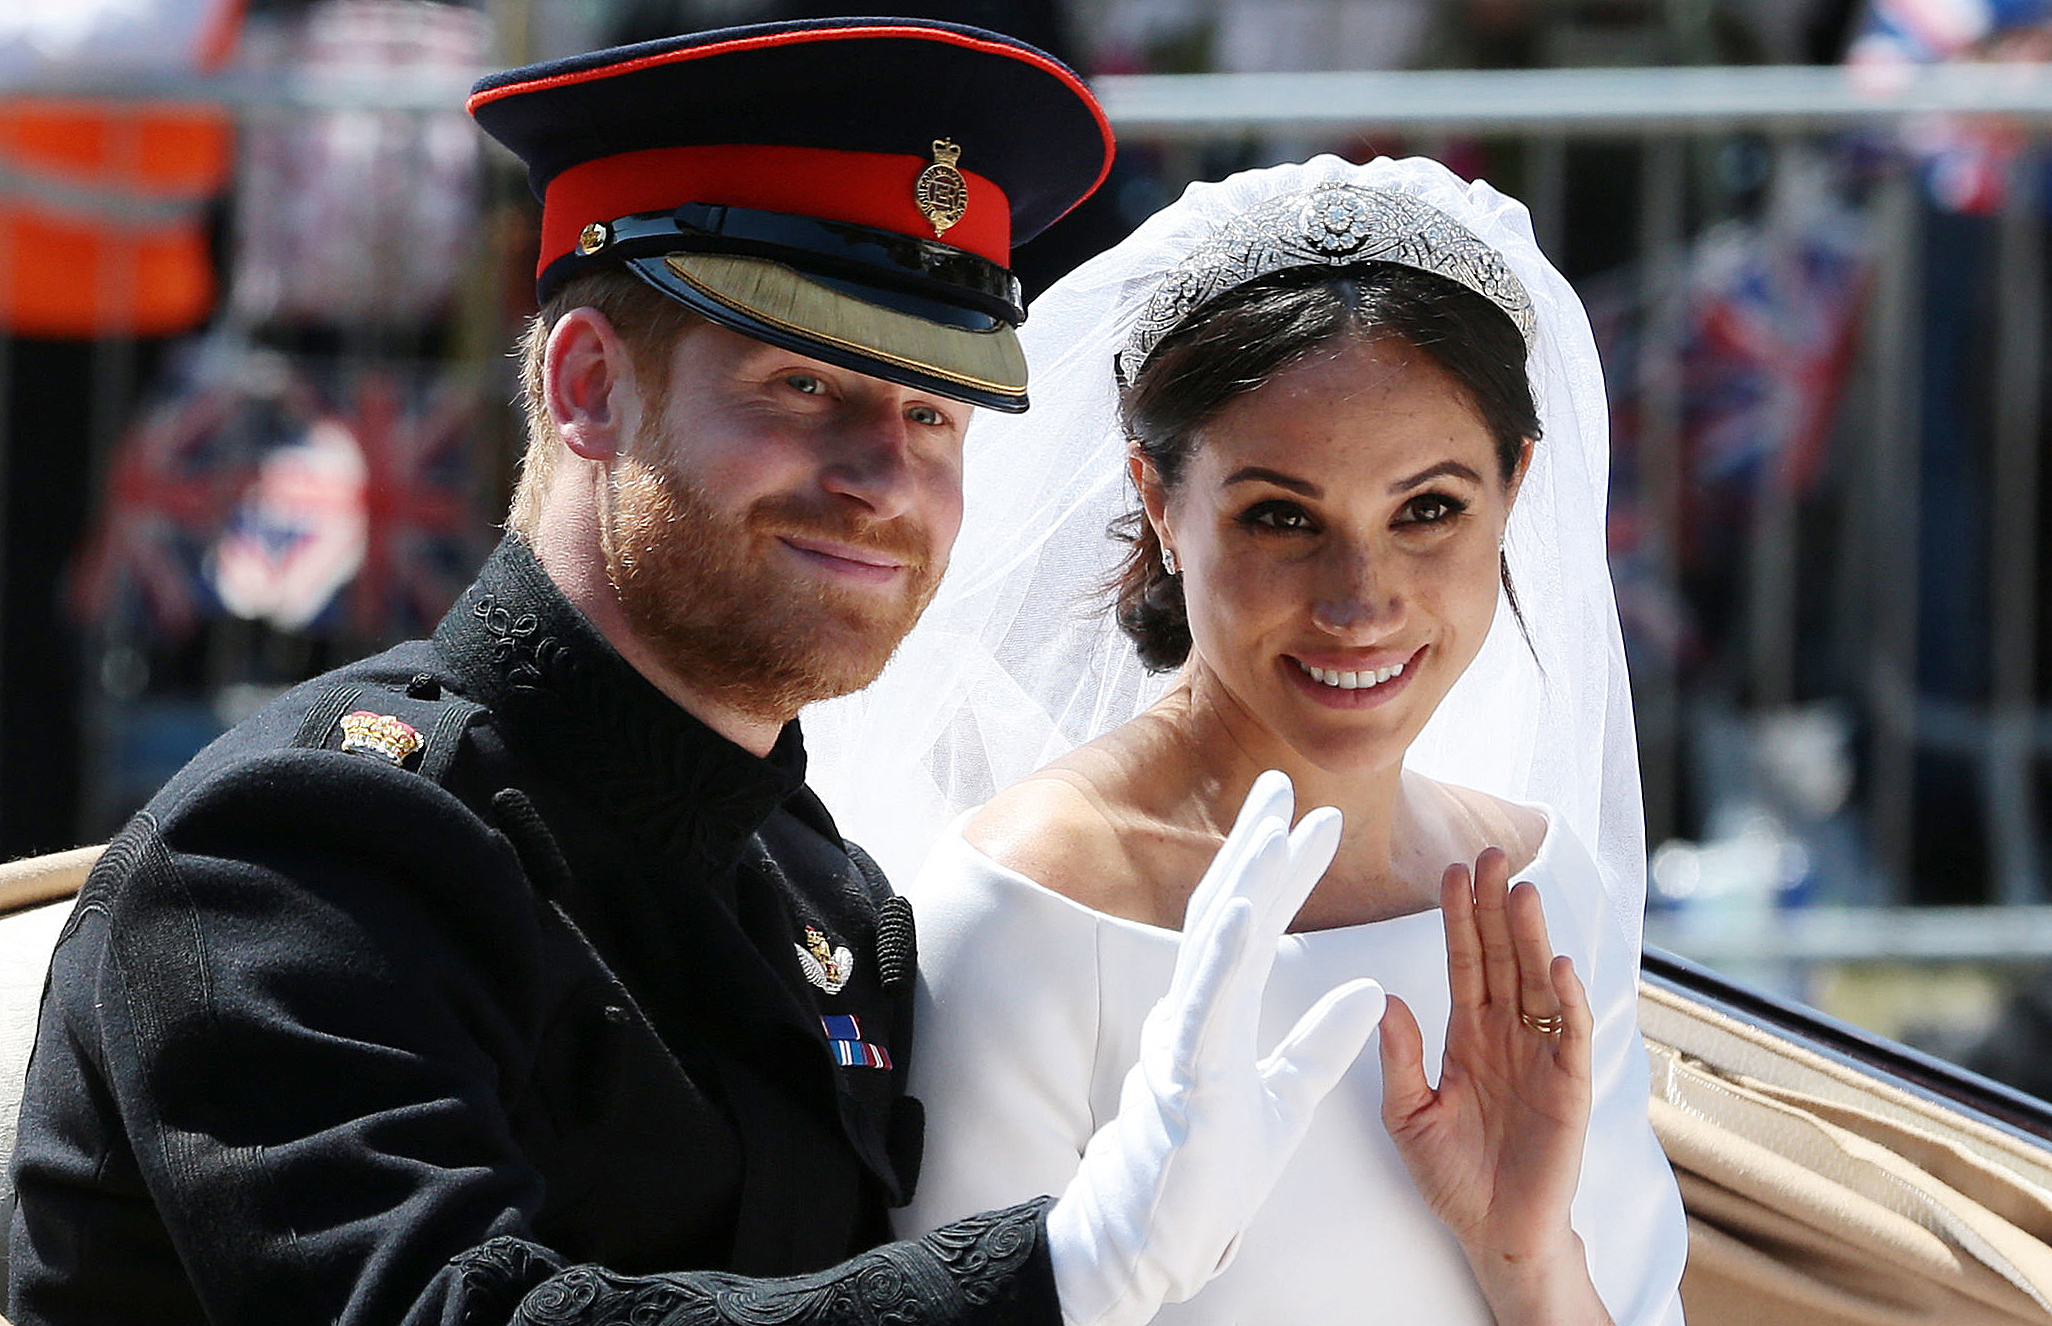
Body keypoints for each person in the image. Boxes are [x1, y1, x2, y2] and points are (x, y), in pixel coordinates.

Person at [6, 22, 1390, 1326]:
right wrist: (1062, 1272)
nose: (881, 478)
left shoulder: (813, 884)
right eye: (804, 387)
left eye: (931, 411)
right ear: (590, 385)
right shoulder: (299, 854)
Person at [807, 154, 1690, 1324]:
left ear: (1515, 487)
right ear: (1161, 502)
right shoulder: (1036, 901)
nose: (1360, 598)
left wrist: (1526, 1256)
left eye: (1428, 508)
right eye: (1281, 517)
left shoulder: (1534, 887)